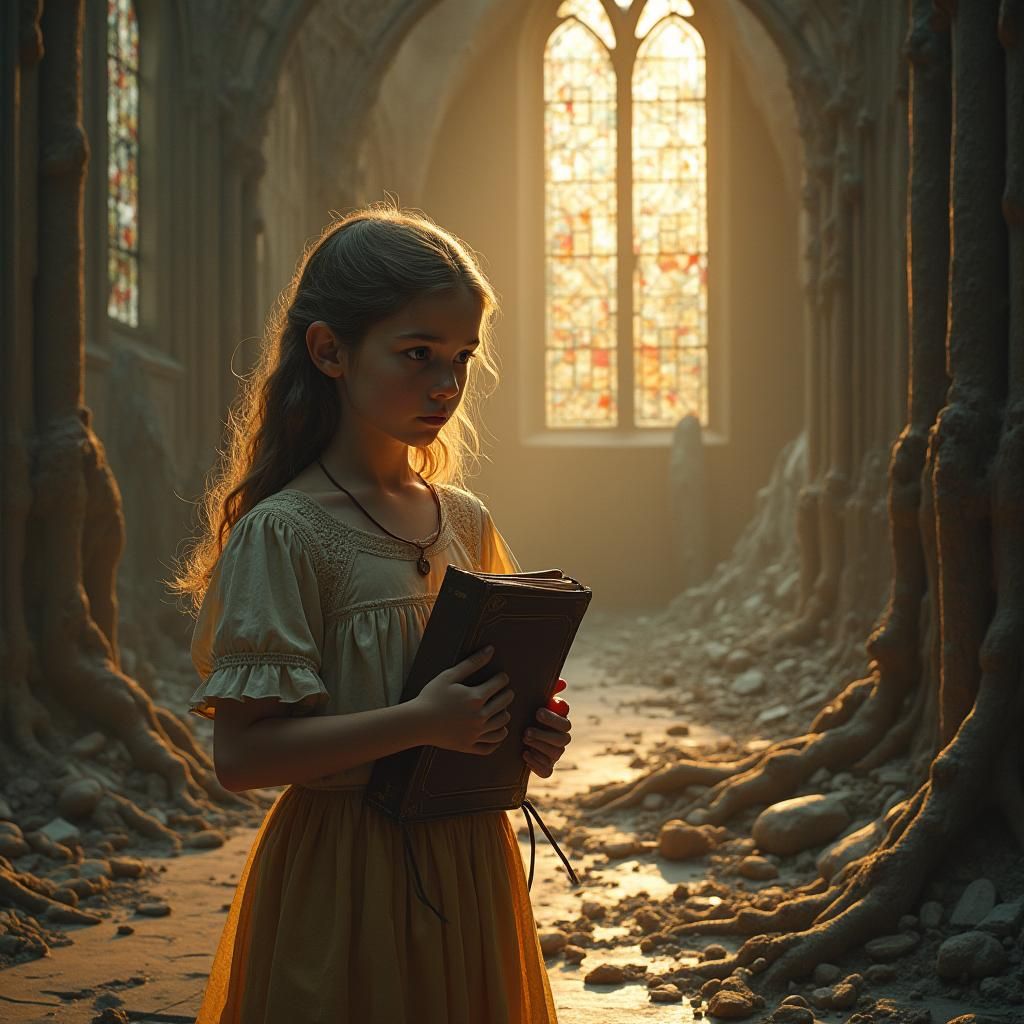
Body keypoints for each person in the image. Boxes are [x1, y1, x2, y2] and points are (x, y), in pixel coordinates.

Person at [169, 204, 573, 1023]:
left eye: (463, 356)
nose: (447, 382)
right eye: (418, 353)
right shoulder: (283, 536)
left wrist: (531, 732)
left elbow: (485, 702)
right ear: (330, 351)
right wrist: (421, 721)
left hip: (471, 869)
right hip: (343, 881)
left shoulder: (465, 521)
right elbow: (242, 757)